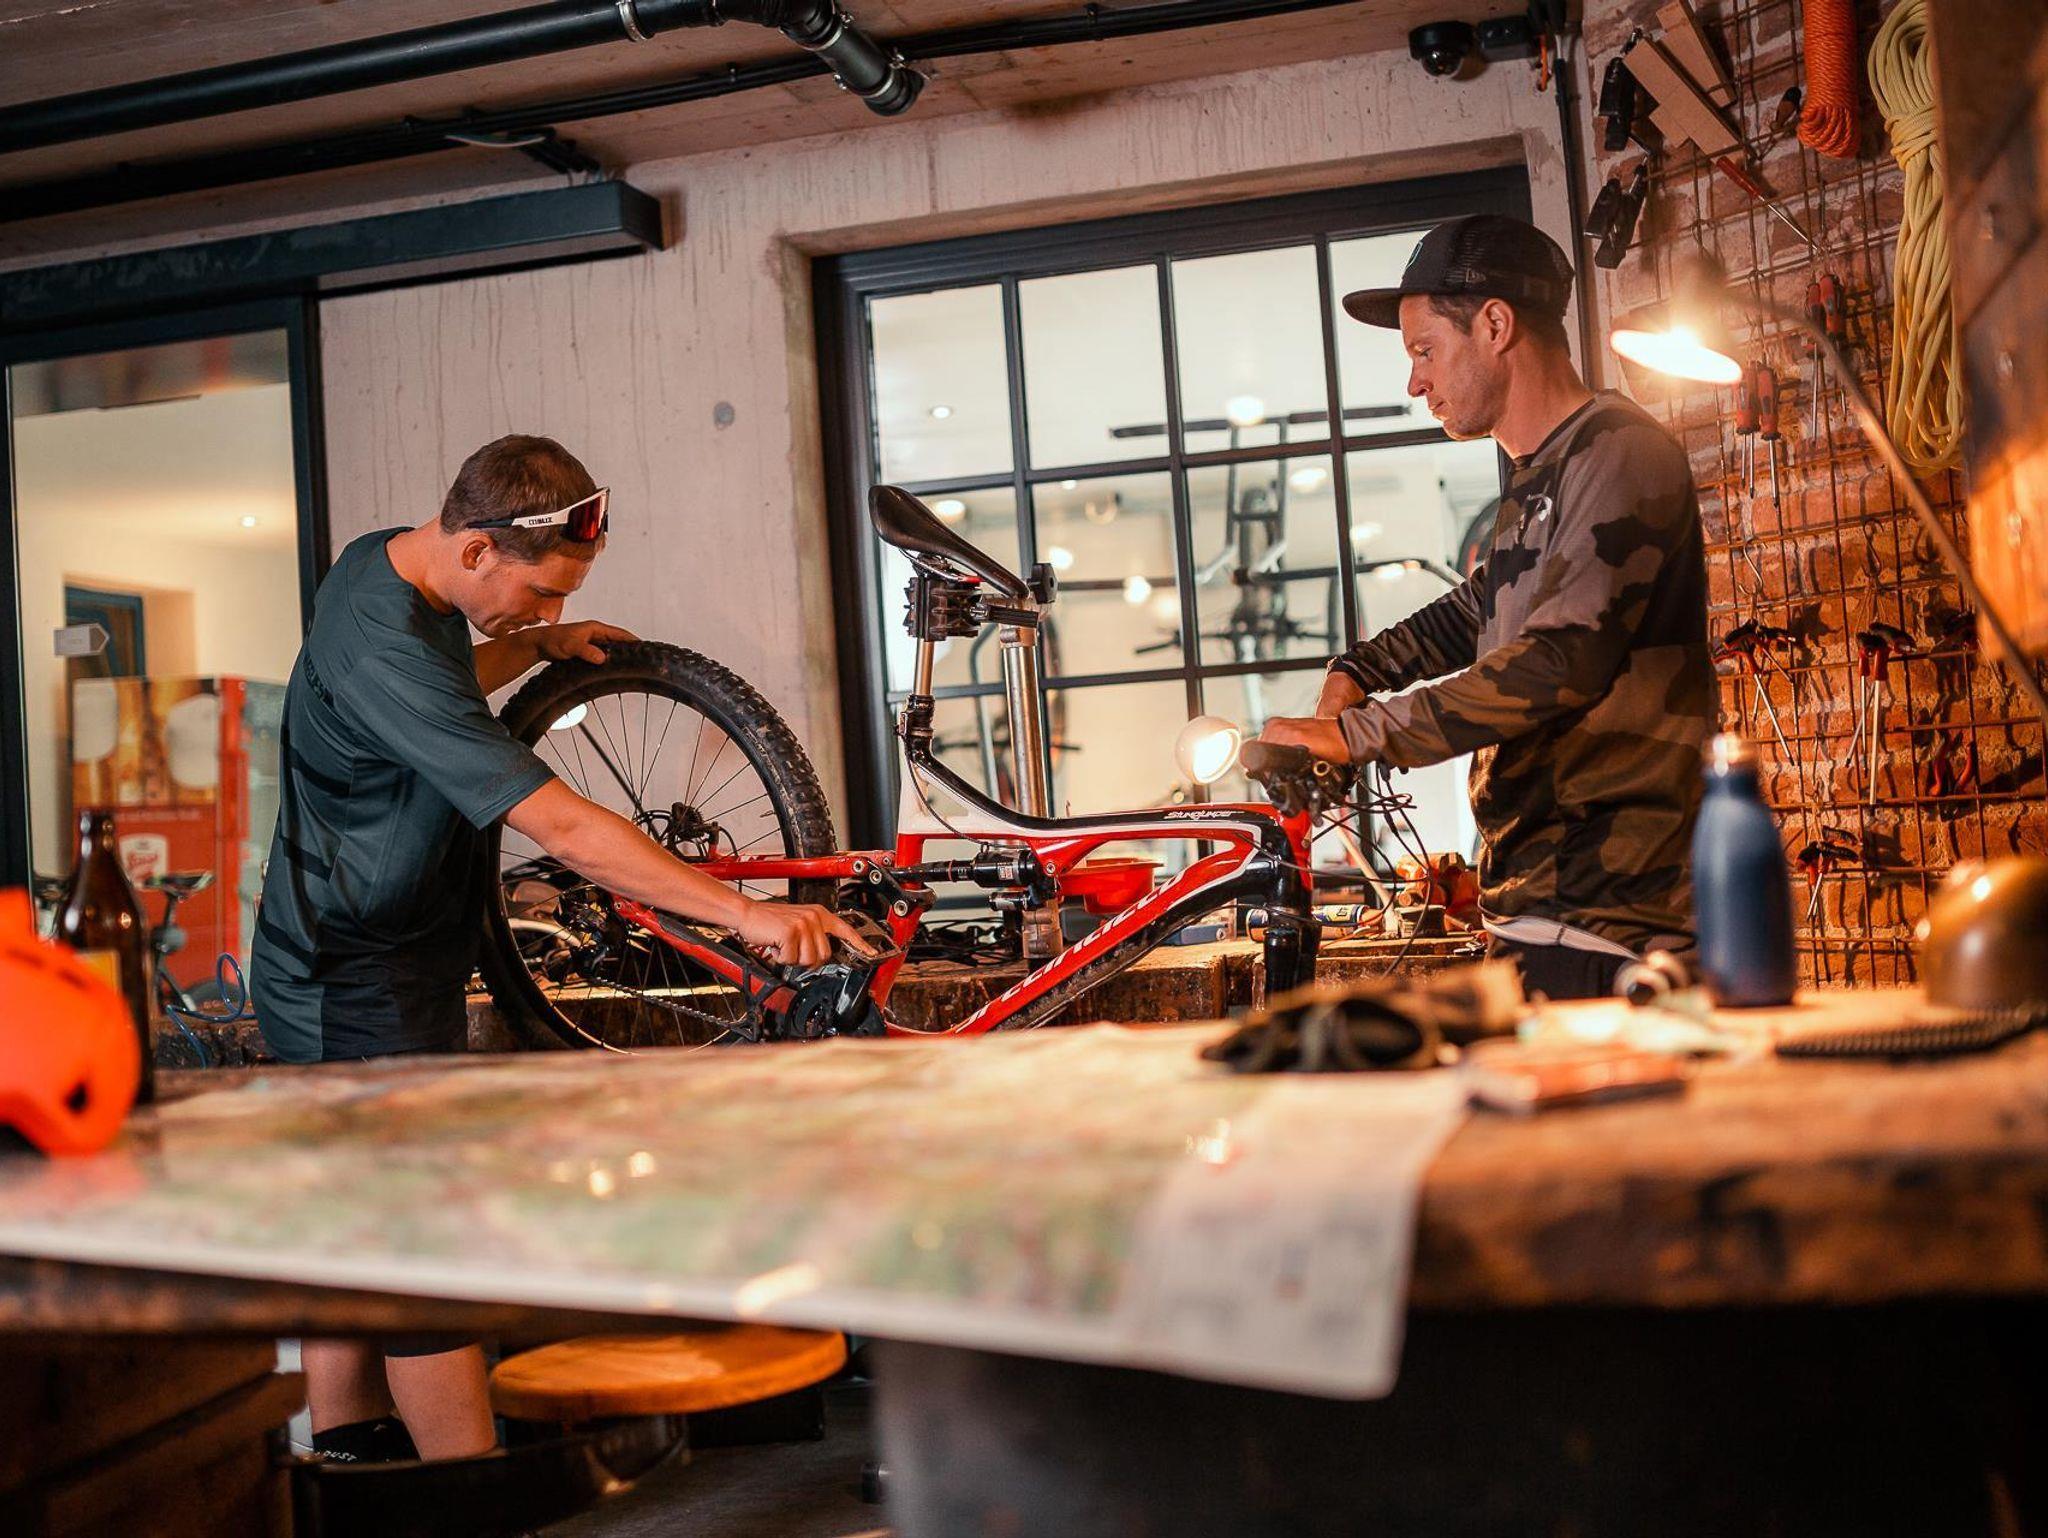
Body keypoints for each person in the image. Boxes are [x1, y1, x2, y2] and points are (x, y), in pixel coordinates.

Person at [251, 433, 867, 1463]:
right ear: (477, 547)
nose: (547, 608)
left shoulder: (383, 564)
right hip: (345, 974)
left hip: (374, 953)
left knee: (352, 1220)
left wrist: (534, 646)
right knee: (420, 1255)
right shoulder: (384, 644)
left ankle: (352, 1455)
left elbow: (437, 686)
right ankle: (475, 1495)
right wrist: (744, 913)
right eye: (539, 592)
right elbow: (567, 829)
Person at [1255, 215, 1715, 1001]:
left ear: (1496, 326)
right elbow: (1481, 605)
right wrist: (1358, 670)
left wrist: (1358, 736)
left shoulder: (1620, 453)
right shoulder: (1536, 478)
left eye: (1424, 351)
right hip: (1538, 910)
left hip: (1612, 920)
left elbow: (1559, 662)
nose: (1415, 383)